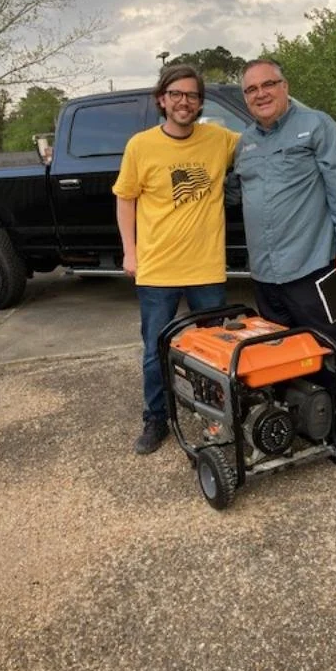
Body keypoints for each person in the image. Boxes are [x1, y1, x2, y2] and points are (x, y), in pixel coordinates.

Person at [232, 58, 336, 457]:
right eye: (251, 89)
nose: (260, 93)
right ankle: (302, 424)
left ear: (285, 85)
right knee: (280, 357)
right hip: (265, 272)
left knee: (325, 351)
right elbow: (240, 192)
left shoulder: (317, 126)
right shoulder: (246, 142)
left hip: (309, 267)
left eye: (268, 84)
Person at [113, 65, 239, 454]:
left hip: (206, 267)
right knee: (155, 350)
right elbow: (126, 198)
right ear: (162, 100)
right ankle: (156, 419)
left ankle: (216, 415)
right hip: (157, 269)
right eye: (177, 94)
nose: (185, 101)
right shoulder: (141, 145)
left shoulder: (220, 139)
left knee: (214, 349)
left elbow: (266, 136)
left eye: (193, 95)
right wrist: (130, 251)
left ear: (201, 102)